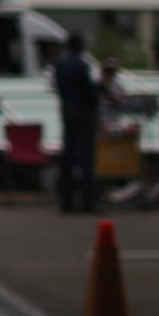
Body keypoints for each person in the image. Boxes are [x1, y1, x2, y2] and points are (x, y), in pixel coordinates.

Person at [53, 33, 99, 213]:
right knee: (87, 158)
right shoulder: (82, 65)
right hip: (84, 116)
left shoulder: (60, 65)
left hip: (67, 113)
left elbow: (59, 87)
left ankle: (67, 201)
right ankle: (88, 201)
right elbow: (89, 93)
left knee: (68, 157)